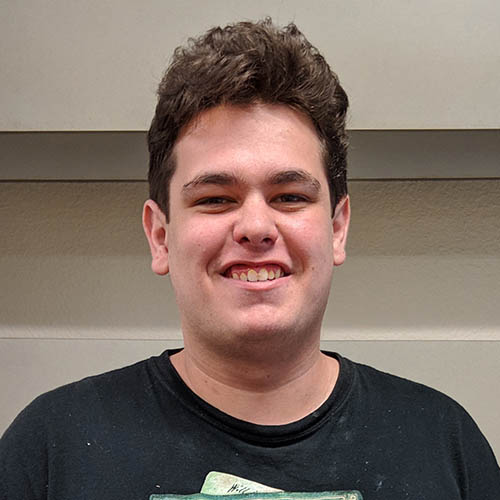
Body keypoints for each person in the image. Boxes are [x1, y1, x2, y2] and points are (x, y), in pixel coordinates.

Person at [1, 18, 499, 500]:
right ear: (160, 236)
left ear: (337, 228)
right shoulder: (51, 448)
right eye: (216, 198)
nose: (257, 227)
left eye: (289, 197)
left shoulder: (443, 444)